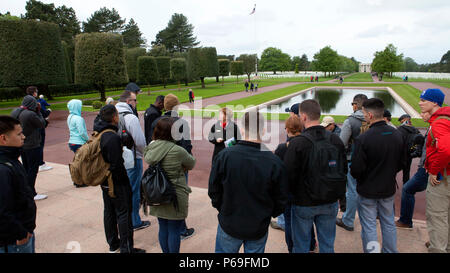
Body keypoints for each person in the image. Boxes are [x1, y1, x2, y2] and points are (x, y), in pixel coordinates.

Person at [209, 111, 288, 253]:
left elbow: (214, 190)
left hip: (231, 222)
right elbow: (281, 198)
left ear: (242, 129)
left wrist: (223, 209)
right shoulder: (274, 161)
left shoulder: (224, 156)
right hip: (255, 225)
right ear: (263, 131)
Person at [284, 100, 347, 253]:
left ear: (303, 117)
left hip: (303, 202)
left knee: (301, 246)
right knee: (327, 245)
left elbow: (288, 175)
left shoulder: (297, 143)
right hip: (330, 200)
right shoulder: (335, 139)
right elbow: (344, 169)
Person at [351, 98, 405, 253]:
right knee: (388, 222)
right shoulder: (396, 134)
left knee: (369, 226)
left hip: (368, 189)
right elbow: (402, 163)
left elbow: (356, 169)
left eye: (363, 113)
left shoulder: (364, 138)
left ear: (369, 115)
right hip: (387, 187)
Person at [94, 105, 145, 253]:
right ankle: (127, 248)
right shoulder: (111, 136)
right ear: (114, 117)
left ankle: (113, 243)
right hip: (116, 181)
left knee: (109, 212)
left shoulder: (99, 133)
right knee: (124, 214)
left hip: (104, 180)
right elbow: (117, 164)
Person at [144, 117, 196, 253]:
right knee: (173, 229)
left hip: (157, 193)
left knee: (163, 227)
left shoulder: (151, 146)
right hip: (175, 194)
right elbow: (191, 163)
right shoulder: (177, 150)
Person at [151, 94, 195, 240]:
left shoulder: (156, 121)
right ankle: (181, 229)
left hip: (159, 166)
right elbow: (186, 147)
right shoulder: (181, 123)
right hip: (178, 167)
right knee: (179, 199)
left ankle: (178, 227)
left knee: (163, 202)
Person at [418, 88, 450, 253]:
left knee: (437, 217)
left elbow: (445, 150)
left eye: (424, 100)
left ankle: (438, 249)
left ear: (435, 102)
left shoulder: (440, 122)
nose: (420, 103)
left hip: (443, 177)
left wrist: (433, 170)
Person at [0, 116, 37, 253]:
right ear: (4, 138)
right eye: (19, 134)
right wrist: (20, 233)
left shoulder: (11, 159)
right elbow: (2, 211)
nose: (23, 137)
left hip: (23, 232)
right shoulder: (3, 169)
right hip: (14, 240)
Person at [116, 91, 149, 231]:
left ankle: (124, 218)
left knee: (122, 190)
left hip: (117, 158)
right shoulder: (131, 118)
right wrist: (146, 154)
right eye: (135, 100)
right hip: (132, 158)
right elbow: (140, 141)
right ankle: (134, 220)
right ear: (129, 102)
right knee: (134, 190)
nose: (136, 103)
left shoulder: (113, 114)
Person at [272, 115, 303, 253]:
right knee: (303, 223)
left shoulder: (281, 147)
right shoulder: (307, 143)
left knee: (290, 223)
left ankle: (292, 248)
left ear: (287, 129)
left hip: (288, 191)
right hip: (304, 191)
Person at [336, 94, 368, 231]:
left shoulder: (350, 121)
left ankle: (348, 220)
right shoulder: (373, 119)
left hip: (353, 159)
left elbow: (341, 143)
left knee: (352, 191)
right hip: (371, 160)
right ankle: (367, 220)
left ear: (355, 105)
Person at [11, 89, 47, 201]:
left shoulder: (15, 112)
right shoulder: (30, 114)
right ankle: (31, 192)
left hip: (21, 144)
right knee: (32, 169)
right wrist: (39, 111)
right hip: (32, 144)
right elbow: (42, 124)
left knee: (26, 168)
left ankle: (26, 190)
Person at [396, 112, 430, 229]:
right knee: (407, 178)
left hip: (403, 157)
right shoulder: (415, 129)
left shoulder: (400, 130)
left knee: (405, 186)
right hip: (410, 156)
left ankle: (405, 219)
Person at [67, 99, 89, 188]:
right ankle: (80, 181)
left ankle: (77, 180)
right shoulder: (79, 118)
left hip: (72, 141)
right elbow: (82, 132)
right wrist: (88, 140)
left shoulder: (70, 117)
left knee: (77, 162)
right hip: (79, 142)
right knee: (82, 163)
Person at [397, 114, 423, 184]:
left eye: (401, 120)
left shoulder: (400, 129)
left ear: (403, 120)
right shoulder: (414, 129)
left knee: (393, 171)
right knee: (406, 172)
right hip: (410, 154)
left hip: (401, 154)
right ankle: (405, 187)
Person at [36, 94, 52, 172]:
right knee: (39, 147)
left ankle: (38, 163)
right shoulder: (36, 112)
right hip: (38, 132)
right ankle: (41, 164)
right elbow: (42, 123)